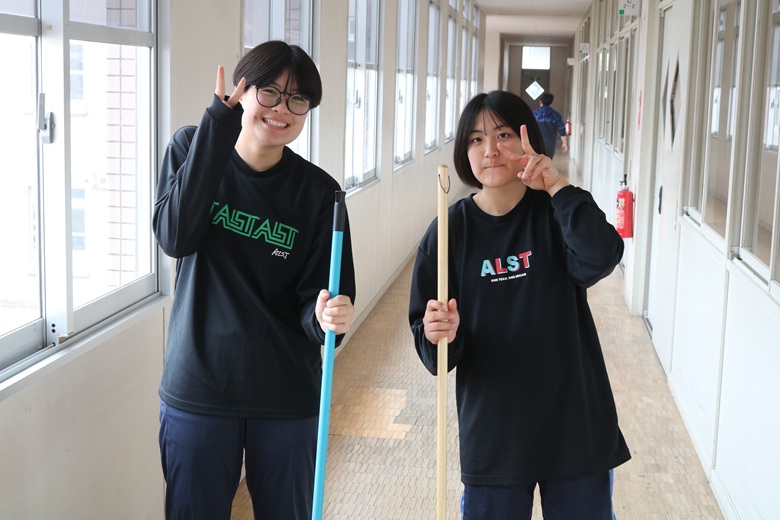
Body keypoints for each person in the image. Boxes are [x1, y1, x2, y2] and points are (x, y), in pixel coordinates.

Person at [153, 40, 357, 520]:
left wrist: (326, 316)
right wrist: (218, 125)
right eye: (269, 92)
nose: (282, 109)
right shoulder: (191, 147)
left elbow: (321, 299)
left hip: (285, 393)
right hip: (199, 385)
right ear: (242, 90)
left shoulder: (320, 193)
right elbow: (175, 237)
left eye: (297, 99)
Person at [408, 90, 630, 520]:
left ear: (528, 140)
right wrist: (438, 333)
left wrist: (557, 186)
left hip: (574, 423)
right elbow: (433, 348)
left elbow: (602, 257)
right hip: (494, 434)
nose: (490, 149)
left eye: (504, 134)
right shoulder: (450, 231)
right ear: (464, 152)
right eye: (475, 139)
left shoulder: (555, 212)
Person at [533, 92, 568, 158]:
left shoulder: (534, 114)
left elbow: (528, 128)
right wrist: (564, 143)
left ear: (540, 102)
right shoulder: (556, 115)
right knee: (547, 161)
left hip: (537, 143)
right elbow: (562, 129)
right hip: (550, 144)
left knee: (537, 161)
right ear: (551, 103)